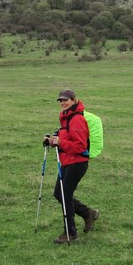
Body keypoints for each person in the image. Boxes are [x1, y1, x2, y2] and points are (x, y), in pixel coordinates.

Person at [45, 89, 99, 244]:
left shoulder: (76, 119)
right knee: (59, 193)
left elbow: (80, 146)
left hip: (77, 163)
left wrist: (60, 142)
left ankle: (70, 233)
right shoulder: (66, 117)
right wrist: (53, 139)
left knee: (64, 195)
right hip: (67, 161)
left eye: (65, 100)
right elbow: (65, 135)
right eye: (60, 100)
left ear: (74, 100)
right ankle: (88, 213)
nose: (62, 103)